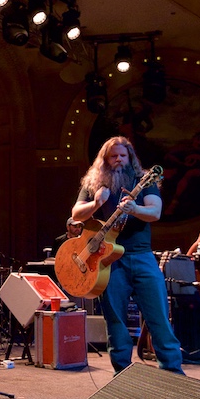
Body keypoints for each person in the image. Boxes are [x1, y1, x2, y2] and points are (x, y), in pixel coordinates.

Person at [70, 136, 183, 374]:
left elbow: (155, 211)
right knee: (116, 321)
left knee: (158, 317)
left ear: (130, 157)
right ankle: (122, 372)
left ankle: (173, 371)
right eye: (114, 156)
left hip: (141, 256)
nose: (119, 160)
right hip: (107, 261)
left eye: (123, 155)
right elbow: (76, 214)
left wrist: (135, 209)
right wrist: (95, 204)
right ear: (105, 159)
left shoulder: (143, 179)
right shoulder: (93, 183)